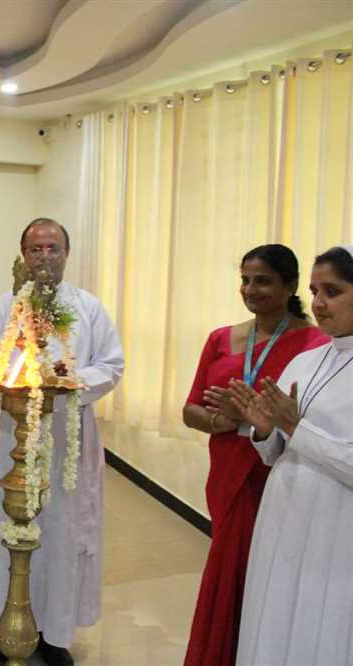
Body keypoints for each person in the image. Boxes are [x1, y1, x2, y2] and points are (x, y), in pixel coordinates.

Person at [0, 218, 124, 666]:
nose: (44, 257)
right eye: (35, 249)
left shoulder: (89, 309)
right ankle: (6, 631)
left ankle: (54, 633)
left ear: (67, 254)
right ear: (22, 255)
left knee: (61, 531)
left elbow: (112, 365)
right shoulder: (2, 310)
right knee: (6, 529)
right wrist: (23, 382)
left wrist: (70, 381)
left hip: (66, 442)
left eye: (53, 248)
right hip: (10, 437)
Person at [182, 244, 327, 666]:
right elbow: (190, 408)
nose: (250, 289)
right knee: (227, 564)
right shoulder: (222, 338)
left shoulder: (315, 345)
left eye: (262, 280)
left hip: (278, 472)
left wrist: (251, 419)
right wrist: (217, 422)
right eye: (245, 279)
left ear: (291, 285)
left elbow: (311, 421)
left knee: (261, 569)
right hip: (227, 471)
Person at [230, 245, 353, 666]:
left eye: (332, 291)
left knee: (321, 624)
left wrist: (296, 429)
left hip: (336, 529)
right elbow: (273, 454)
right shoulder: (305, 360)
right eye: (316, 290)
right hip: (284, 515)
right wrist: (265, 430)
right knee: (276, 614)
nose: (318, 303)